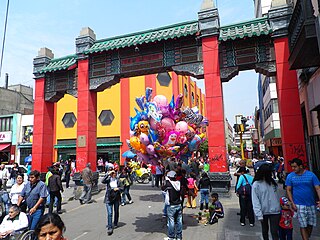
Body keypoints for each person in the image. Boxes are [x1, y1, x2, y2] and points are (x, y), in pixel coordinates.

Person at [285, 158, 320, 240]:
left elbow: (317, 188)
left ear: (301, 166)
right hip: (298, 204)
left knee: (310, 224)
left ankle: (306, 237)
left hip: (311, 203)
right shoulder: (290, 176)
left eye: (295, 167)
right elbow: (288, 190)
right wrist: (292, 202)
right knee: (303, 224)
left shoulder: (311, 175)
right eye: (292, 167)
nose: (293, 169)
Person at [252, 164, 281, 240]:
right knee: (265, 231)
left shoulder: (273, 183)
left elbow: (277, 196)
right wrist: (258, 214)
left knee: (274, 232)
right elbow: (255, 200)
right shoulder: (256, 184)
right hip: (263, 211)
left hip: (275, 211)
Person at [162, 170, 182, 240]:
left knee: (171, 221)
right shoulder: (178, 183)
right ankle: (179, 237)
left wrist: (166, 179)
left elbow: (163, 189)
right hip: (179, 204)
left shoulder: (168, 185)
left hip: (171, 205)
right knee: (179, 221)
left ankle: (171, 236)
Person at [102, 170, 123, 236]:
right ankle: (110, 227)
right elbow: (102, 181)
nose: (114, 174)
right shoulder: (108, 180)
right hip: (109, 198)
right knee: (110, 213)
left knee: (116, 211)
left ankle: (115, 222)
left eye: (114, 173)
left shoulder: (118, 180)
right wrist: (107, 174)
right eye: (112, 173)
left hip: (116, 198)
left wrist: (118, 189)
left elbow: (122, 188)